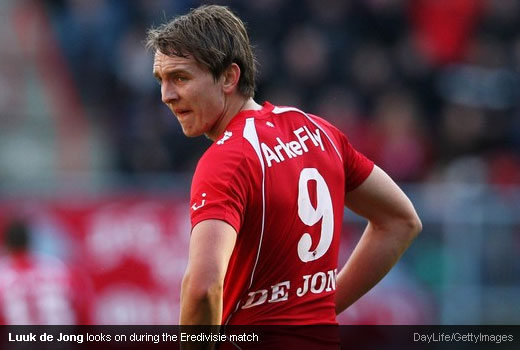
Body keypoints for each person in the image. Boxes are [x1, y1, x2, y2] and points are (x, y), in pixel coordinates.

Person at [146, 3, 421, 345]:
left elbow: (203, 288)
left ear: (230, 77)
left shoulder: (227, 159)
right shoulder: (318, 131)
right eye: (162, 80)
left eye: (180, 78)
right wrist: (321, 309)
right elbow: (401, 221)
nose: (166, 96)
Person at [0, 219, 91, 324]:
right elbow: (82, 310)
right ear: (30, 241)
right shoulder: (57, 268)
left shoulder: (3, 274)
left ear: (6, 245)